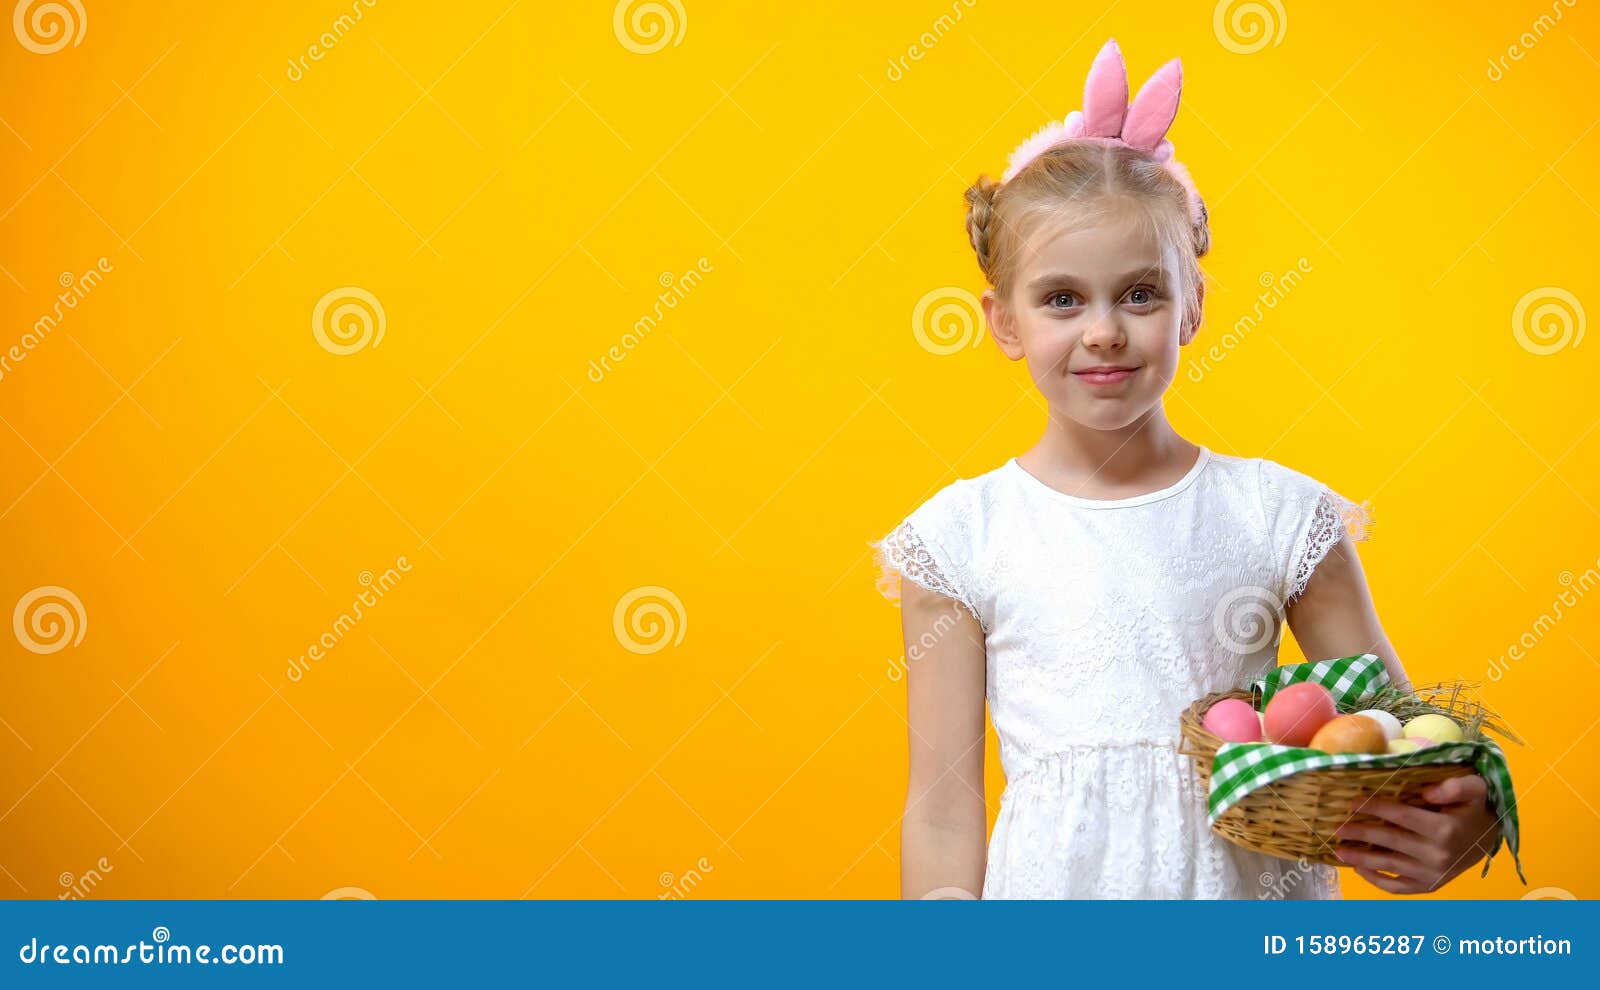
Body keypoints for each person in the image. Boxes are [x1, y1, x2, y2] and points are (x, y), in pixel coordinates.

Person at [873, 39, 1500, 899]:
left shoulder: (1280, 517)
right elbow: (943, 813)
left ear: (1193, 306)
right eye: (1062, 299)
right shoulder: (962, 539)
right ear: (1004, 322)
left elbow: (1397, 745)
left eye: (1140, 293)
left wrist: (1462, 814)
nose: (1103, 331)